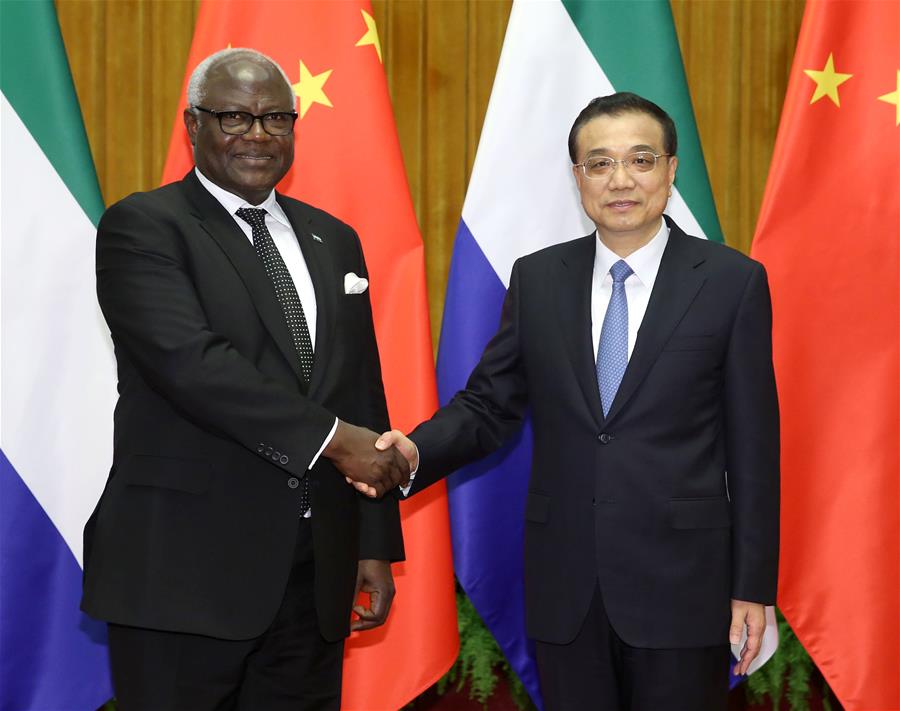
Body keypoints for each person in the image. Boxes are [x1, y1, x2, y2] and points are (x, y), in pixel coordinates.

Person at [374, 93, 779, 710]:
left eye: (641, 160)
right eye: (599, 163)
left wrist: (752, 587)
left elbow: (754, 449)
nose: (621, 180)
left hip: (683, 587)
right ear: (578, 178)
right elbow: (489, 405)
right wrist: (411, 453)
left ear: (671, 171)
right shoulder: (538, 279)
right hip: (567, 585)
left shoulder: (731, 282)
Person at [81, 48, 410, 711]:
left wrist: (373, 541)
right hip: (182, 572)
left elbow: (359, 389)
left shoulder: (334, 238)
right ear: (192, 124)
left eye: (275, 118)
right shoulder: (144, 225)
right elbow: (191, 365)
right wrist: (334, 439)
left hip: (314, 570)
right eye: (233, 117)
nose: (258, 135)